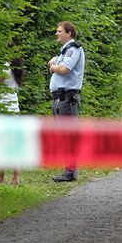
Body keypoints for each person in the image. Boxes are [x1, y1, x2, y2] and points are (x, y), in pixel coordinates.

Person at [47, 21, 85, 182]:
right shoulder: (64, 51)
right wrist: (55, 61)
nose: (56, 33)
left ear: (69, 33)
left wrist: (53, 67)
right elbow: (56, 61)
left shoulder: (73, 49)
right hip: (59, 98)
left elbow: (64, 69)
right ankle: (68, 169)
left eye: (59, 31)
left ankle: (70, 172)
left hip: (67, 98)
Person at [0, 57, 25, 185]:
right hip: (14, 109)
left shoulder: (4, 67)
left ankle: (0, 176)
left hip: (2, 109)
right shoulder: (17, 69)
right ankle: (15, 177)